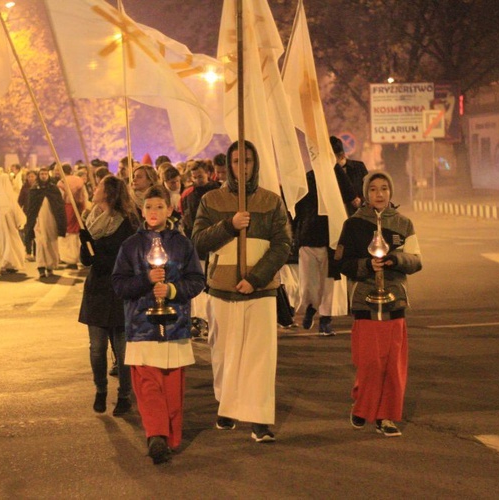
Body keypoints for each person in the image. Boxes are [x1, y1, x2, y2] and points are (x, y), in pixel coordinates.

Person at [192, 140, 292, 442]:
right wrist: (229, 225)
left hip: (260, 291)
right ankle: (227, 405)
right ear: (228, 165)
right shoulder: (211, 200)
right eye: (236, 161)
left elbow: (283, 245)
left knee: (260, 357)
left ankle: (259, 419)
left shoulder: (272, 201)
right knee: (224, 354)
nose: (242, 166)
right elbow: (197, 241)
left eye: (247, 160)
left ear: (255, 163)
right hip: (221, 289)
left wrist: (257, 278)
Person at [112, 185, 205, 464]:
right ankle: (156, 436)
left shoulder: (182, 243)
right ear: (142, 211)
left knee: (172, 389)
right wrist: (145, 281)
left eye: (159, 207)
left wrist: (173, 291)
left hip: (174, 326)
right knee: (148, 386)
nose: (154, 212)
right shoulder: (130, 245)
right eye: (149, 207)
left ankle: (170, 438)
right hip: (142, 328)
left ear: (170, 209)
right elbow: (119, 283)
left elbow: (197, 280)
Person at [333, 171, 422, 437]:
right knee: (370, 362)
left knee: (393, 364)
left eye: (384, 188)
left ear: (391, 192)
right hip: (365, 303)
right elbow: (340, 262)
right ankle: (362, 407)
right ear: (366, 193)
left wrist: (396, 260)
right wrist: (365, 266)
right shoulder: (353, 225)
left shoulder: (404, 224)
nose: (379, 194)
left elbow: (417, 260)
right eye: (373, 189)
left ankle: (387, 416)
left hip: (395, 302)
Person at [79, 176, 139, 417]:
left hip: (119, 290)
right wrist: (85, 246)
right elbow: (86, 260)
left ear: (109, 193)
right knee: (97, 347)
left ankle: (124, 395)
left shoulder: (126, 223)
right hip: (96, 290)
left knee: (123, 349)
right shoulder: (91, 220)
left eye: (99, 187)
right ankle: (100, 390)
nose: (94, 190)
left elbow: (123, 259)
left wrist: (100, 259)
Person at [293, 169, 338, 335]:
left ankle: (325, 320)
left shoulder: (335, 178)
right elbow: (297, 210)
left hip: (329, 241)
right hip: (307, 239)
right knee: (308, 285)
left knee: (328, 284)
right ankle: (311, 308)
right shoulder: (307, 179)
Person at [24, 167, 66, 279]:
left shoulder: (53, 189)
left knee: (52, 243)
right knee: (41, 243)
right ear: (39, 175)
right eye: (41, 174)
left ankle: (50, 267)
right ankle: (41, 267)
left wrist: (61, 221)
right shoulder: (34, 190)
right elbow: (31, 208)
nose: (43, 176)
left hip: (51, 221)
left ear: (48, 175)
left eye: (45, 174)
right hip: (39, 222)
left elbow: (59, 206)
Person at [331, 136, 367, 216]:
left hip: (357, 215)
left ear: (342, 155)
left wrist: (361, 201)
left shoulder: (359, 167)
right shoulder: (327, 172)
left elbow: (369, 190)